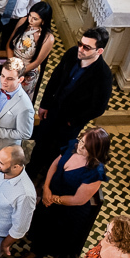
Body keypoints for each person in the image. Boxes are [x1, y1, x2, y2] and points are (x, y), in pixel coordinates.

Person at [29, 27, 114, 182]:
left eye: (87, 47)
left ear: (99, 51)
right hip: (53, 111)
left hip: (70, 122)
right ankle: (31, 171)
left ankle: (46, 178)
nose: (80, 49)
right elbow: (55, 78)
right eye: (80, 43)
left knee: (57, 150)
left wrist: (73, 121)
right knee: (41, 142)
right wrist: (45, 104)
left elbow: (98, 107)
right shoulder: (72, 54)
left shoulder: (104, 76)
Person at [25, 128, 110, 258]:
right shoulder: (73, 147)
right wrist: (46, 188)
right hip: (50, 197)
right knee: (41, 227)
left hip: (69, 210)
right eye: (81, 141)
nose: (80, 146)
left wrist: (53, 199)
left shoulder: (95, 172)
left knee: (61, 238)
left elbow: (79, 199)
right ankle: (36, 251)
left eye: (85, 146)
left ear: (95, 151)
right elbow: (55, 164)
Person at [6, 1, 56, 101]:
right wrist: (12, 65)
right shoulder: (23, 21)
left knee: (18, 100)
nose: (30, 20)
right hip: (12, 64)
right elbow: (9, 44)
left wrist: (18, 72)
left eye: (35, 19)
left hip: (27, 71)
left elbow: (37, 62)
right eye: (30, 16)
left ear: (43, 21)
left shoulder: (48, 38)